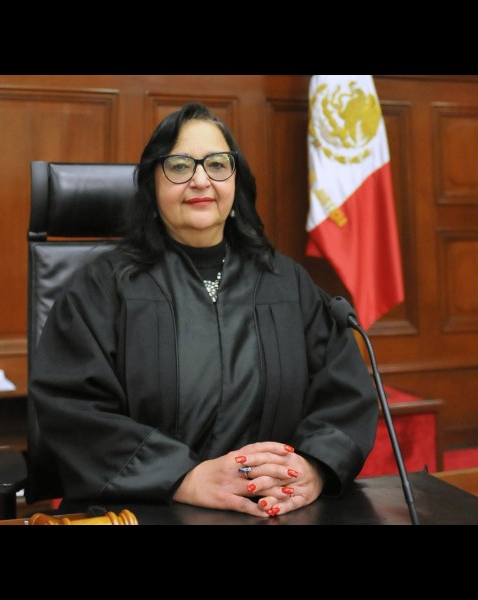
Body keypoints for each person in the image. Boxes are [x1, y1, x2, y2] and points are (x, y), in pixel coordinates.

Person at [31, 102, 379, 518]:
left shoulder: (288, 284)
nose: (200, 180)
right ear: (152, 184)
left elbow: (344, 395)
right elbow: (73, 409)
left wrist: (313, 468)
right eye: (180, 166)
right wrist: (184, 477)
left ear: (235, 181)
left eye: (217, 164)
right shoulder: (101, 288)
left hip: (274, 511)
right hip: (143, 510)